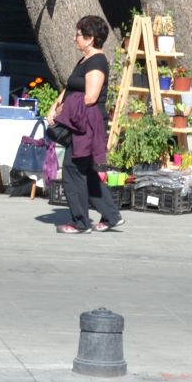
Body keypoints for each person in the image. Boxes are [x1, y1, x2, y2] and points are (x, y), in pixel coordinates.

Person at [48, 15, 122, 234]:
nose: (74, 38)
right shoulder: (85, 60)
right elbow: (72, 86)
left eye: (78, 34)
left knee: (72, 168)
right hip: (79, 121)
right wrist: (55, 105)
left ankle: (80, 222)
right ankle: (111, 216)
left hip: (87, 123)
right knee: (84, 169)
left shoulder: (97, 61)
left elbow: (90, 96)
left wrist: (64, 109)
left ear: (90, 39)